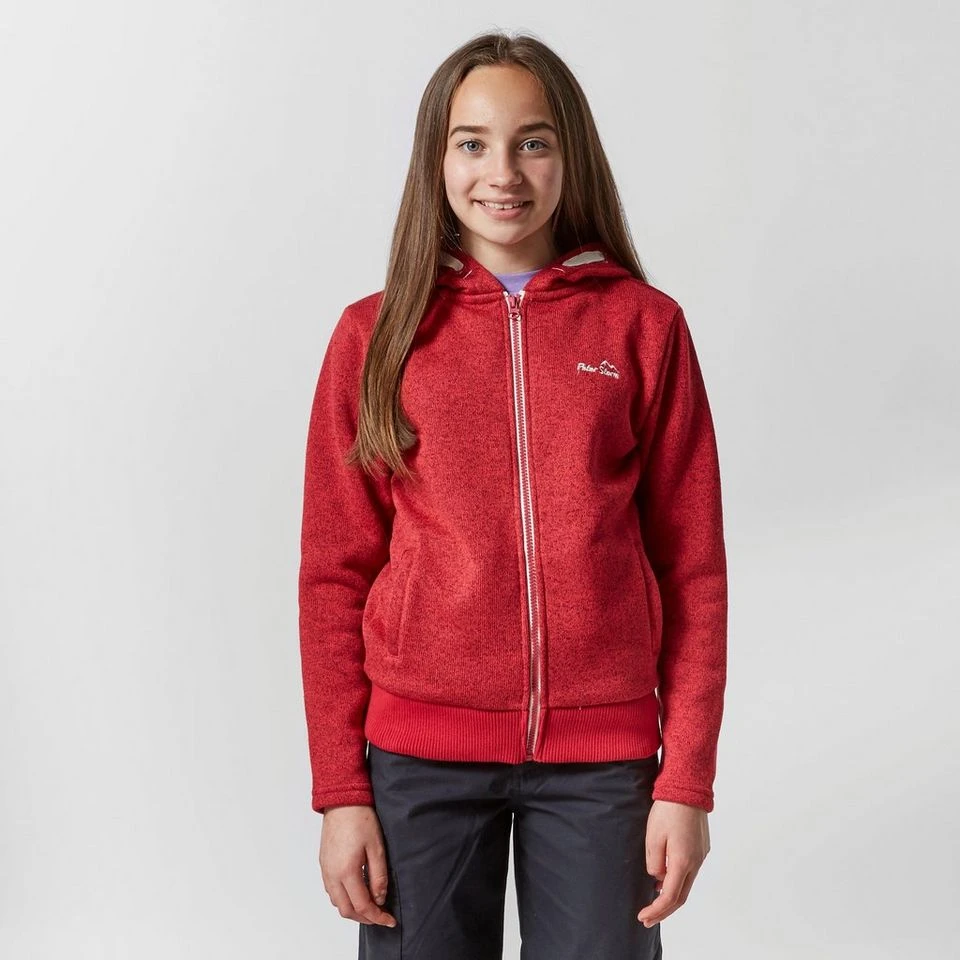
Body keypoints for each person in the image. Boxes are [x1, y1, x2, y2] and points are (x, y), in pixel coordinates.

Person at [298, 30, 728, 960]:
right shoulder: (375, 336)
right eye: (472, 143)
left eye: (533, 141)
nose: (503, 172)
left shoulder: (644, 328)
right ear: (436, 159)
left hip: (602, 764)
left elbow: (693, 570)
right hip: (418, 761)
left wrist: (686, 779)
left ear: (572, 155)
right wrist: (341, 791)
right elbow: (333, 575)